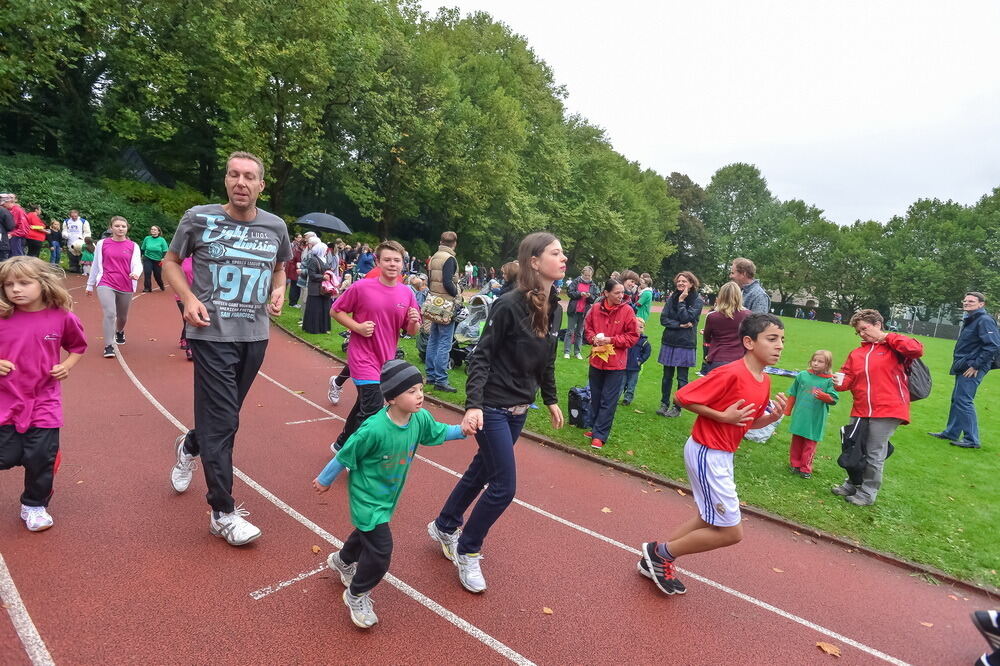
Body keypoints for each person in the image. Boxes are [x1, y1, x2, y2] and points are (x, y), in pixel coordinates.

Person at [162, 151, 292, 546]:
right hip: (210, 334)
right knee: (224, 423)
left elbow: (280, 267)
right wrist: (187, 298)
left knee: (225, 417)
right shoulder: (198, 218)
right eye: (234, 175)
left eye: (249, 177)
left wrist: (280, 289)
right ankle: (222, 511)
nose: (241, 182)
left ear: (260, 185)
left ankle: (190, 444)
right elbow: (170, 262)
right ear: (225, 180)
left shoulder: (276, 226)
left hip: (255, 336)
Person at [428, 232, 565, 593]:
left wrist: (550, 398)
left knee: (482, 470)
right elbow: (481, 357)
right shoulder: (508, 304)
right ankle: (469, 549)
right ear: (534, 261)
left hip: (521, 407)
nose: (563, 258)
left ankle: (445, 524)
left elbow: (547, 361)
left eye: (563, 253)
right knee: (504, 487)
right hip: (493, 407)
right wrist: (473, 405)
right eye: (556, 253)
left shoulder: (557, 308)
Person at [638, 313, 788, 596]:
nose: (779, 345)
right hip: (708, 451)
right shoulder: (730, 373)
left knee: (709, 520)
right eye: (772, 339)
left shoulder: (764, 381)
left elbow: (746, 422)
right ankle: (660, 554)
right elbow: (682, 397)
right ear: (749, 342)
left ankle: (654, 559)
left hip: (722, 454)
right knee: (732, 532)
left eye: (782, 340)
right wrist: (722, 416)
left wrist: (769, 419)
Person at [313, 360, 466, 628]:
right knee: (381, 551)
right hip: (367, 497)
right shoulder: (373, 429)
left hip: (387, 497)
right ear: (393, 397)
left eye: (420, 389)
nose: (419, 395)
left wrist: (462, 431)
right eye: (411, 391)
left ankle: (342, 561)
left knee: (365, 532)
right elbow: (346, 452)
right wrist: (325, 479)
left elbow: (437, 432)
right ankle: (357, 593)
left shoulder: (419, 418)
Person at [0, 257, 87, 531]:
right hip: (5, 400)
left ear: (43, 283)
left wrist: (66, 366)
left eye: (24, 283)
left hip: (44, 402)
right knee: (7, 455)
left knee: (40, 458)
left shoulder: (62, 317)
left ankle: (34, 505)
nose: (15, 289)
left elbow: (77, 347)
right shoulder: (2, 316)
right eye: (8, 284)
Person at [330, 240, 420, 451]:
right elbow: (336, 310)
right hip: (362, 357)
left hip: (386, 360)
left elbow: (411, 331)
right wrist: (358, 327)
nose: (392, 264)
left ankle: (341, 444)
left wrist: (415, 321)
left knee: (364, 404)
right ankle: (356, 455)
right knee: (373, 408)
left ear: (402, 264)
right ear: (377, 262)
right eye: (387, 260)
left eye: (397, 260)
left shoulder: (407, 293)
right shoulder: (362, 287)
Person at [831, 309, 923, 506]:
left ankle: (867, 493)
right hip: (861, 408)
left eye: (865, 329)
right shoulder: (857, 353)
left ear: (877, 324)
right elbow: (847, 379)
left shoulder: (894, 347)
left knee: (873, 452)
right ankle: (852, 484)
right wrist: (838, 381)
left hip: (888, 408)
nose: (862, 334)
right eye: (859, 332)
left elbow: (916, 349)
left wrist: (885, 337)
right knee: (853, 447)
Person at [929, 292, 999, 450]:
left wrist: (976, 365)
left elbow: (992, 345)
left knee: (964, 400)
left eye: (971, 301)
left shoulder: (985, 320)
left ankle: (972, 439)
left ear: (981, 304)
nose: (967, 303)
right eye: (965, 300)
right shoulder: (972, 319)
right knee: (957, 399)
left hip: (973, 367)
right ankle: (951, 432)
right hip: (965, 364)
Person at [583, 278, 639, 448]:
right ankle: (594, 427)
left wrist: (611, 340)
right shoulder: (595, 309)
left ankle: (600, 435)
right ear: (606, 293)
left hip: (616, 364)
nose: (621, 296)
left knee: (609, 399)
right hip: (597, 359)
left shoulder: (627, 311)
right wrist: (593, 339)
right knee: (596, 396)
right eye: (617, 293)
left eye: (622, 292)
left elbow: (632, 336)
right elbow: (588, 328)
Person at [85, 216, 142, 359]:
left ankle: (120, 331)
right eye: (117, 226)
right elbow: (96, 265)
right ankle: (108, 345)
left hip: (126, 283)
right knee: (110, 313)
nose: (120, 228)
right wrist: (90, 285)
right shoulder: (102, 244)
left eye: (123, 226)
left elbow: (137, 264)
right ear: (111, 228)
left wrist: (135, 273)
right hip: (106, 282)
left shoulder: (133, 246)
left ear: (127, 228)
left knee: (122, 317)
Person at [657, 271, 704, 418]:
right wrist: (679, 324)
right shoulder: (672, 297)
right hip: (670, 340)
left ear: (691, 283)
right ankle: (664, 403)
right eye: (679, 281)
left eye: (684, 281)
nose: (681, 283)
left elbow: (688, 318)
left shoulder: (697, 300)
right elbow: (663, 319)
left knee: (682, 378)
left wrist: (682, 301)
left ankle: (677, 408)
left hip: (685, 343)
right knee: (667, 376)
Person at [784, 350, 838, 478]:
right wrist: (787, 409)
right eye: (814, 360)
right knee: (796, 440)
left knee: (810, 443)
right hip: (800, 415)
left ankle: (805, 468)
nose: (816, 363)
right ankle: (795, 464)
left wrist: (825, 396)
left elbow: (833, 399)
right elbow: (793, 393)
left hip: (815, 418)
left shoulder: (830, 381)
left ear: (827, 364)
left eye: (820, 361)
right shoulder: (802, 375)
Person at [425, 231, 460, 392]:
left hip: (434, 302)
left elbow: (431, 279)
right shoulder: (449, 258)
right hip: (446, 304)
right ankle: (441, 379)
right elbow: (447, 281)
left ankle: (431, 375)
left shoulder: (434, 257)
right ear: (454, 243)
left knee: (433, 339)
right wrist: (456, 294)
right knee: (445, 342)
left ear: (441, 241)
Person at [702, 281, 751, 374]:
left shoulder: (712, 316)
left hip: (718, 359)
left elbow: (707, 339)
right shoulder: (748, 315)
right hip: (740, 360)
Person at [301, 239, 332, 335]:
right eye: (325, 249)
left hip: (324, 288)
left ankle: (324, 328)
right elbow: (312, 274)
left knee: (324, 308)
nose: (326, 251)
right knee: (315, 308)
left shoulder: (324, 259)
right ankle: (313, 328)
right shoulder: (313, 260)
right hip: (315, 288)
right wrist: (323, 277)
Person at [564, 266, 595, 359]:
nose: (587, 277)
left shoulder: (593, 285)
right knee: (570, 331)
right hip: (574, 310)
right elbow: (569, 292)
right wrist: (579, 294)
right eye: (585, 275)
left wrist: (589, 296)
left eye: (589, 276)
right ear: (582, 274)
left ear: (591, 275)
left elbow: (594, 298)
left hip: (584, 312)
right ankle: (567, 351)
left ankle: (577, 352)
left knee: (580, 332)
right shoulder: (576, 281)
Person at [622, 317, 651, 406]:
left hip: (634, 368)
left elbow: (647, 353)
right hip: (624, 366)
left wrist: (640, 361)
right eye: (636, 326)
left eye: (641, 327)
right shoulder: (627, 338)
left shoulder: (644, 342)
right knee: (621, 383)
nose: (639, 329)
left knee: (631, 384)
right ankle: (615, 397)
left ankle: (627, 399)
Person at [139, 225, 169, 292]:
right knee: (147, 273)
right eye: (152, 229)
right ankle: (147, 288)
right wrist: (141, 257)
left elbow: (165, 250)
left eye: (155, 229)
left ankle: (161, 285)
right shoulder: (147, 238)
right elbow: (143, 248)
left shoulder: (162, 240)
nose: (153, 231)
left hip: (158, 260)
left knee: (157, 275)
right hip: (147, 258)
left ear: (158, 231)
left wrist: (163, 258)